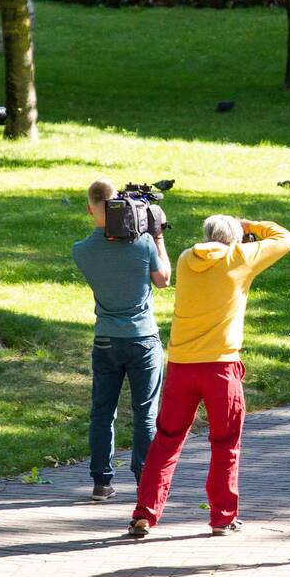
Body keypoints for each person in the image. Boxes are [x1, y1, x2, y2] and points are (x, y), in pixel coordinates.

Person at [130, 215, 290, 537]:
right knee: (225, 443)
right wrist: (250, 225)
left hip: (181, 364)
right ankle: (222, 517)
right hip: (220, 367)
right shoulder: (240, 258)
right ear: (236, 240)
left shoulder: (185, 259)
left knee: (166, 441)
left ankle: (145, 514)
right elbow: (285, 238)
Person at [72, 180, 171, 501]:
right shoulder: (143, 245)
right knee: (144, 412)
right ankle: (145, 480)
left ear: (90, 208)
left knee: (102, 411)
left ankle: (101, 481)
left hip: (105, 339)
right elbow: (163, 280)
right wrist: (157, 236)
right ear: (120, 204)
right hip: (143, 338)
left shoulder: (81, 251)